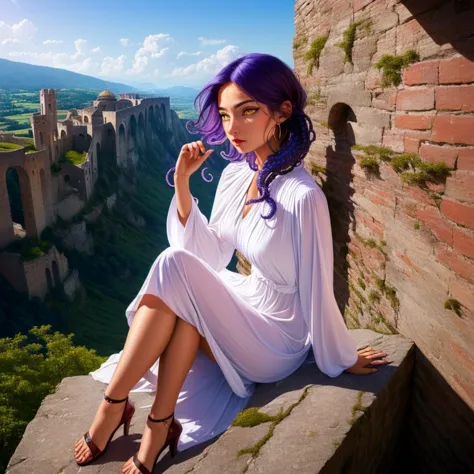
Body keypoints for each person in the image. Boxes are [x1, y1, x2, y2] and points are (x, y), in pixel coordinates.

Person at [74, 53, 389, 474]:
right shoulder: (236, 175)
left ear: (282, 112)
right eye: (225, 115)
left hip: (278, 336)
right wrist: (183, 184)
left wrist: (342, 356)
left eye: (247, 112)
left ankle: (112, 408)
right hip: (249, 299)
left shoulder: (301, 197)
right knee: (184, 296)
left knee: (174, 269)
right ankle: (158, 425)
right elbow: (209, 253)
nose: (232, 129)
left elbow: (317, 288)